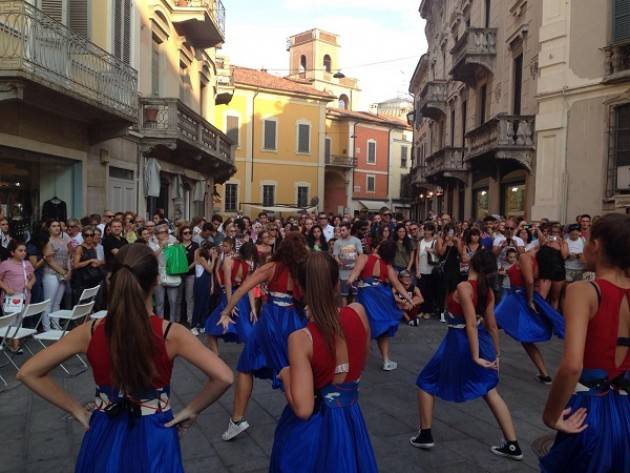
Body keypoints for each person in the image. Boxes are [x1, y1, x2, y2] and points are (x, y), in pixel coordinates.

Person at [17, 243, 233, 472]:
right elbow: (224, 377)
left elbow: (28, 372)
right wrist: (191, 410)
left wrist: (76, 409)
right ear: (156, 280)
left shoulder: (89, 331)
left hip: (104, 425)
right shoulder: (171, 333)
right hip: (154, 427)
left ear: (113, 279)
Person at [269, 252, 378, 473]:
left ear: (299, 289)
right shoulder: (358, 312)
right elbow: (362, 360)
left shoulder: (301, 339)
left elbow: (303, 409)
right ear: (337, 283)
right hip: (350, 415)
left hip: (318, 427)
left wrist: (286, 375)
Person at [411, 250, 524, 461]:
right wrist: (496, 353)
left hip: (460, 341)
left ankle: (425, 434)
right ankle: (512, 444)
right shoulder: (487, 291)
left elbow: (471, 323)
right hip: (478, 339)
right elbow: (490, 325)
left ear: (472, 263)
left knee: (426, 381)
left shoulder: (465, 287)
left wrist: (475, 356)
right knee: (490, 390)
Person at [540, 213, 630, 472]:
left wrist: (551, 416)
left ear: (597, 245)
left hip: (590, 409)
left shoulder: (583, 291)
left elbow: (571, 365)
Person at [218, 233, 309, 441]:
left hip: (271, 321)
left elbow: (242, 289)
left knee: (245, 367)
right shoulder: (305, 268)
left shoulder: (271, 267)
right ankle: (306, 413)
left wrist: (226, 311)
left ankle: (237, 420)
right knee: (299, 367)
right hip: (295, 320)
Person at [495, 248, 565, 384]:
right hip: (518, 296)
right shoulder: (535, 262)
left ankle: (484, 360)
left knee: (491, 324)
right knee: (524, 339)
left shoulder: (525, 258)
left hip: (517, 298)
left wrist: (531, 300)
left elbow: (530, 281)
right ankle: (544, 374)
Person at [347, 240, 415, 371]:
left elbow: (353, 276)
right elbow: (397, 285)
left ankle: (356, 362)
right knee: (382, 328)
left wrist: (352, 283)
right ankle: (386, 361)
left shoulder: (364, 257)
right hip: (383, 297)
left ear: (378, 247)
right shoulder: (387, 266)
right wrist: (409, 300)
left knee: (364, 327)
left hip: (366, 296)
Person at [205, 242, 257, 354]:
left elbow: (229, 284)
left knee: (213, 326)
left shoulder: (230, 262)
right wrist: (252, 308)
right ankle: (216, 355)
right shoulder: (243, 265)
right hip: (239, 297)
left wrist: (231, 305)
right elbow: (248, 288)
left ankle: (254, 356)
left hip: (233, 297)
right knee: (242, 327)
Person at [0, 240, 36, 351]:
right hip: (9, 298)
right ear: (12, 252)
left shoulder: (27, 264)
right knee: (11, 321)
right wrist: (6, 288)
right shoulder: (5, 264)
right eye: (20, 250)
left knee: (19, 320)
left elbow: (33, 277)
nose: (23, 253)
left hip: (24, 297)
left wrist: (30, 284)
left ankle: (12, 343)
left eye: (25, 251)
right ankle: (15, 345)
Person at [42, 220, 71, 331]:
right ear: (49, 228)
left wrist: (69, 271)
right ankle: (47, 328)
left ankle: (56, 325)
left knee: (57, 303)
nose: (57, 228)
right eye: (53, 226)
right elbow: (50, 261)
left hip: (63, 273)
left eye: (58, 226)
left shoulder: (64, 240)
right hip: (51, 274)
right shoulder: (47, 241)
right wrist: (63, 272)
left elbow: (68, 256)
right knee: (48, 303)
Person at [149, 224, 180, 320]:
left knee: (173, 301)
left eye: (166, 232)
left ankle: (172, 323)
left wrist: (176, 247)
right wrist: (161, 247)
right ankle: (160, 322)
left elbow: (178, 256)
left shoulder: (173, 240)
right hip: (158, 274)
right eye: (161, 232)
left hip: (171, 273)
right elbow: (151, 256)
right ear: (156, 234)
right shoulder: (151, 242)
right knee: (160, 302)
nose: (164, 234)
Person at [537, 223, 568, 309]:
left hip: (557, 272)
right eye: (552, 232)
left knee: (555, 298)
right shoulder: (544, 241)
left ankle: (552, 318)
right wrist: (545, 242)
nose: (554, 234)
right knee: (542, 297)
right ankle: (541, 317)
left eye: (557, 232)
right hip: (545, 272)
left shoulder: (564, 243)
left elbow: (564, 256)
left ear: (560, 233)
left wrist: (561, 244)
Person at [71, 226, 105, 304]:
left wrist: (97, 263)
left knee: (92, 302)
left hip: (92, 278)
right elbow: (75, 265)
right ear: (83, 236)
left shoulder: (93, 247)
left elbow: (99, 261)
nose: (89, 237)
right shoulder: (80, 248)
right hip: (81, 280)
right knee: (82, 303)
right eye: (87, 235)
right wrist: (90, 261)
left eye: (91, 235)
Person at [333, 223, 363, 306]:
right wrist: (339, 262)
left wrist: (357, 265)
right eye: (340, 230)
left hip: (354, 273)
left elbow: (361, 254)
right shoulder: (337, 242)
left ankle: (353, 312)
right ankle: (344, 313)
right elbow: (335, 256)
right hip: (343, 273)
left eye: (343, 230)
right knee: (344, 295)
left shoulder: (356, 241)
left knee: (354, 294)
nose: (341, 232)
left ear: (349, 230)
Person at [191, 244, 217, 336]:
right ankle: (193, 325)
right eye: (212, 249)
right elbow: (210, 270)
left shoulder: (208, 258)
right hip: (200, 284)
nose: (213, 252)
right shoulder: (202, 258)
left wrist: (212, 286)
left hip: (207, 283)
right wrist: (214, 259)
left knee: (206, 305)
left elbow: (211, 275)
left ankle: (202, 324)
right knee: (199, 304)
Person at [415, 222, 439, 320]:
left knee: (429, 291)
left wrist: (432, 250)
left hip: (431, 270)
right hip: (421, 269)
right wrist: (417, 270)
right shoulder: (420, 242)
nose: (426, 232)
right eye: (425, 229)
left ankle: (428, 310)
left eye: (429, 230)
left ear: (432, 231)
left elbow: (439, 253)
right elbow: (417, 257)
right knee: (421, 291)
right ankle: (421, 310)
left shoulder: (435, 241)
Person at [177, 226, 198, 327]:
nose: (188, 234)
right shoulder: (177, 245)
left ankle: (190, 320)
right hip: (178, 275)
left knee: (189, 298)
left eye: (189, 232)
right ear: (181, 235)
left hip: (190, 274)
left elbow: (196, 260)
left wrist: (187, 269)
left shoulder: (195, 245)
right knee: (178, 297)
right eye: (185, 233)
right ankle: (178, 319)